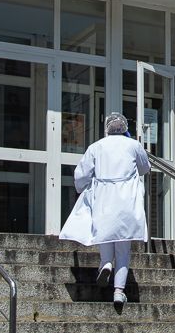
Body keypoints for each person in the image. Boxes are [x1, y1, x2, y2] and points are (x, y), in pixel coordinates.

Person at [59, 111, 151, 308]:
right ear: (125, 128)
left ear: (107, 129)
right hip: (127, 200)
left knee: (105, 237)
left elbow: (81, 175)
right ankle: (119, 291)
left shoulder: (96, 146)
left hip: (104, 198)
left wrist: (83, 188)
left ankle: (106, 263)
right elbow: (145, 168)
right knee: (123, 248)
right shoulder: (133, 145)